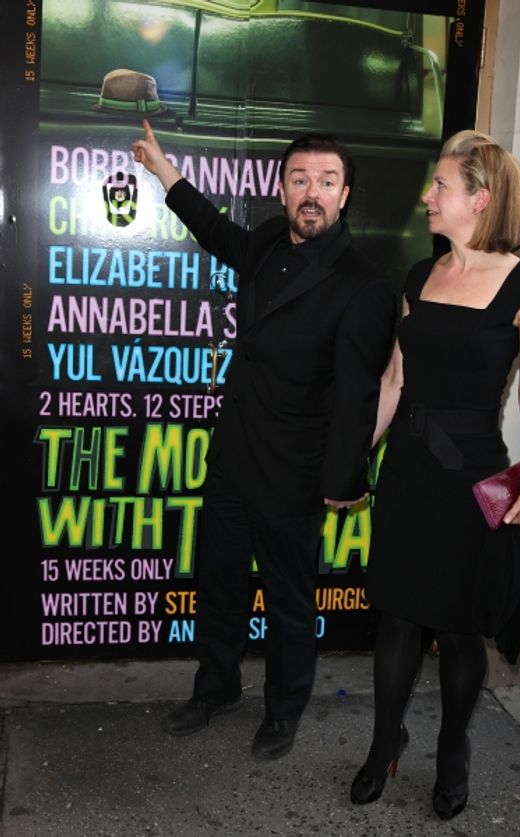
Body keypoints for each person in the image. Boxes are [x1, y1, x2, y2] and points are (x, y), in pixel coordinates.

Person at [132, 120, 396, 759]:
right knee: (217, 583)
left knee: (288, 604)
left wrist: (340, 482)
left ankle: (284, 710)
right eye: (300, 179)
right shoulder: (270, 238)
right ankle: (216, 688)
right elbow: (217, 232)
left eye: (327, 182)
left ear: (345, 195)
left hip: (295, 470)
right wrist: (164, 172)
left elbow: (358, 393)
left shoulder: (363, 283)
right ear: (281, 190)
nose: (313, 192)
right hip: (233, 456)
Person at [350, 130, 520, 818]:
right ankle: (384, 743)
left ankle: (453, 748)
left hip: (472, 476)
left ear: (481, 198)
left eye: (440, 186)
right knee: (397, 618)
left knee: (461, 626)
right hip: (408, 470)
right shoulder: (418, 275)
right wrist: (357, 456)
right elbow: (394, 378)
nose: (427, 197)